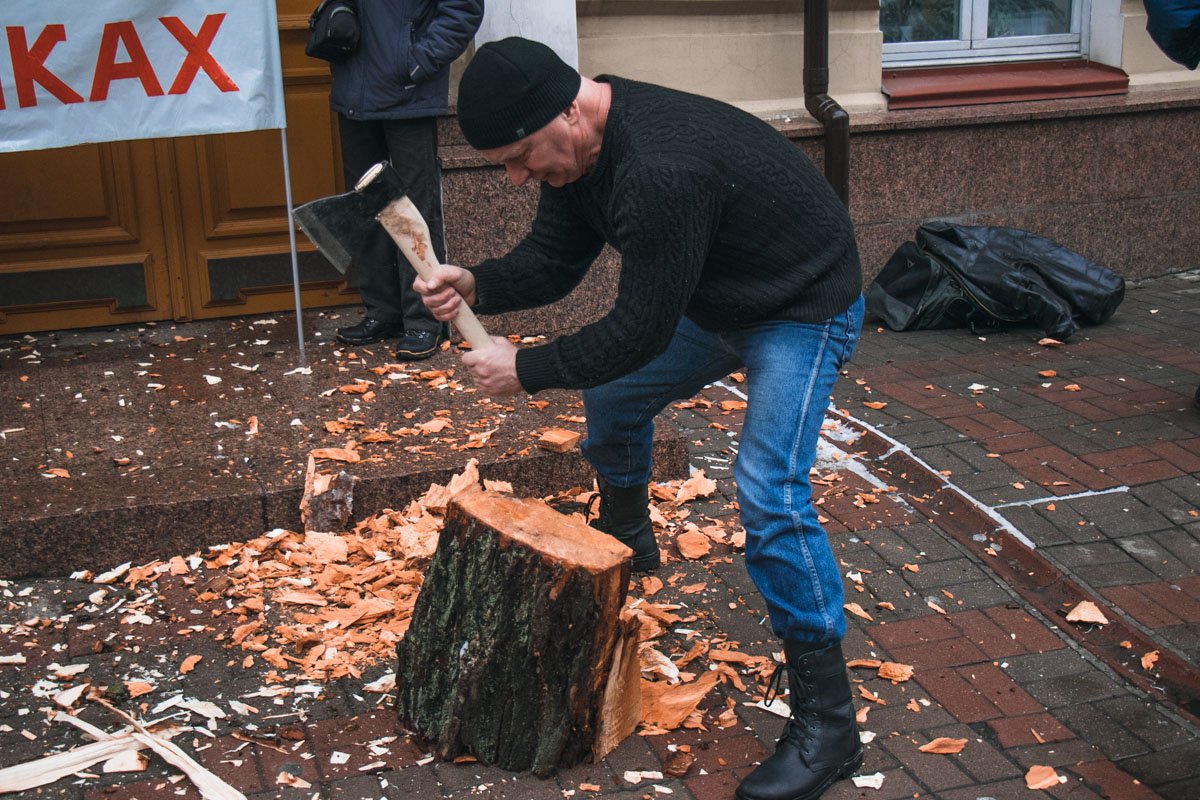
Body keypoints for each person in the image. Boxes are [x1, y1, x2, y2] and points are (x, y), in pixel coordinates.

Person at [416, 37, 865, 800]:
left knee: (768, 490)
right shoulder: (580, 149)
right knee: (616, 400)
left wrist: (524, 370)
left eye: (521, 156)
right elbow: (555, 265)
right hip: (719, 298)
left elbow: (638, 331)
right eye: (506, 165)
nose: (521, 175)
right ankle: (629, 533)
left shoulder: (660, 165)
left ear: (568, 106)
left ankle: (829, 726)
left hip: (802, 305)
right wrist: (478, 283)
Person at [329, 0, 483, 359]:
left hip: (408, 92)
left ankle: (425, 319)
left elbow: (463, 9)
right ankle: (382, 313)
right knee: (367, 207)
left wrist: (416, 61)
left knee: (415, 208)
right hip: (355, 89)